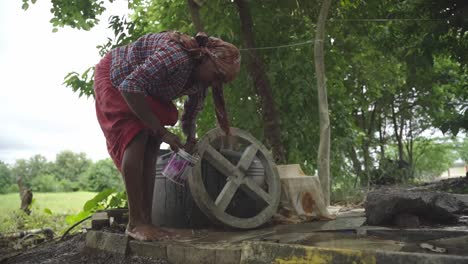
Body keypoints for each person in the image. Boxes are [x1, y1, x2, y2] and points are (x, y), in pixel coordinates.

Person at [93, 31, 241, 241]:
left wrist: (190, 139)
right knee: (137, 136)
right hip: (117, 77)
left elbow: (190, 116)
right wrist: (163, 132)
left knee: (152, 144)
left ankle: (147, 221)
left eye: (222, 82)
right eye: (217, 76)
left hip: (141, 88)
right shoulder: (176, 56)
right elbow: (129, 86)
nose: (216, 83)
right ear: (206, 57)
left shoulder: (200, 84)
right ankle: (135, 223)